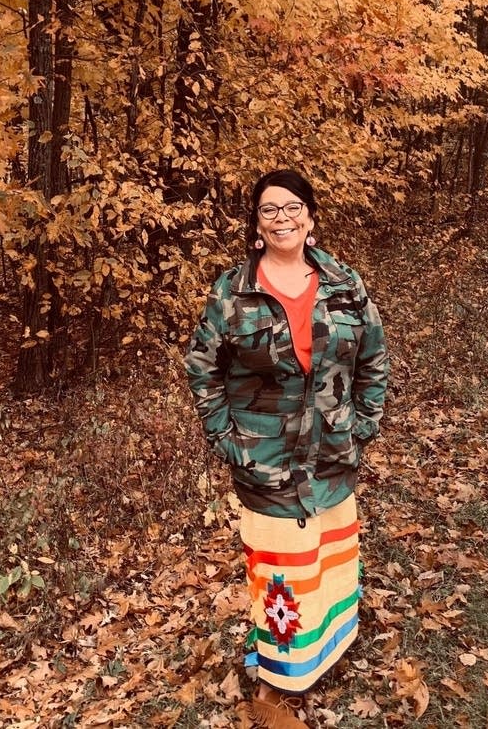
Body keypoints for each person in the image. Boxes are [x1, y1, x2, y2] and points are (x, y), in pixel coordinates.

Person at [185, 169, 389, 728]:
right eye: (269, 209)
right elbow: (203, 370)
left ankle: (326, 655)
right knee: (281, 572)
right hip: (266, 464)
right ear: (256, 225)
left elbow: (373, 357)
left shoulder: (345, 284)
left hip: (332, 458)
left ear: (311, 217)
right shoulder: (233, 291)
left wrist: (363, 423)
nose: (282, 217)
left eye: (292, 206)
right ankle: (278, 681)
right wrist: (227, 439)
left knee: (330, 561)